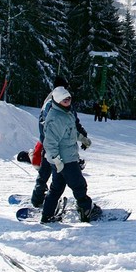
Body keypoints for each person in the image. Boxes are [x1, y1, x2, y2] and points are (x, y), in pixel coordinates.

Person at [41, 86, 101, 223]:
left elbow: (70, 133)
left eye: (68, 98)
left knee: (57, 187)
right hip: (65, 160)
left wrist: (83, 139)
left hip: (65, 159)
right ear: (56, 100)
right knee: (79, 185)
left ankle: (47, 214)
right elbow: (50, 143)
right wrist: (57, 161)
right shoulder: (55, 118)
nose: (67, 101)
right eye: (64, 99)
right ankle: (86, 210)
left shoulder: (65, 113)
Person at [30, 77, 91, 208]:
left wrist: (83, 137)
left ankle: (39, 198)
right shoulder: (55, 103)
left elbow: (72, 123)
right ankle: (38, 198)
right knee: (49, 172)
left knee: (49, 176)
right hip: (54, 145)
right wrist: (49, 144)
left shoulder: (57, 99)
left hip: (51, 144)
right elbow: (61, 124)